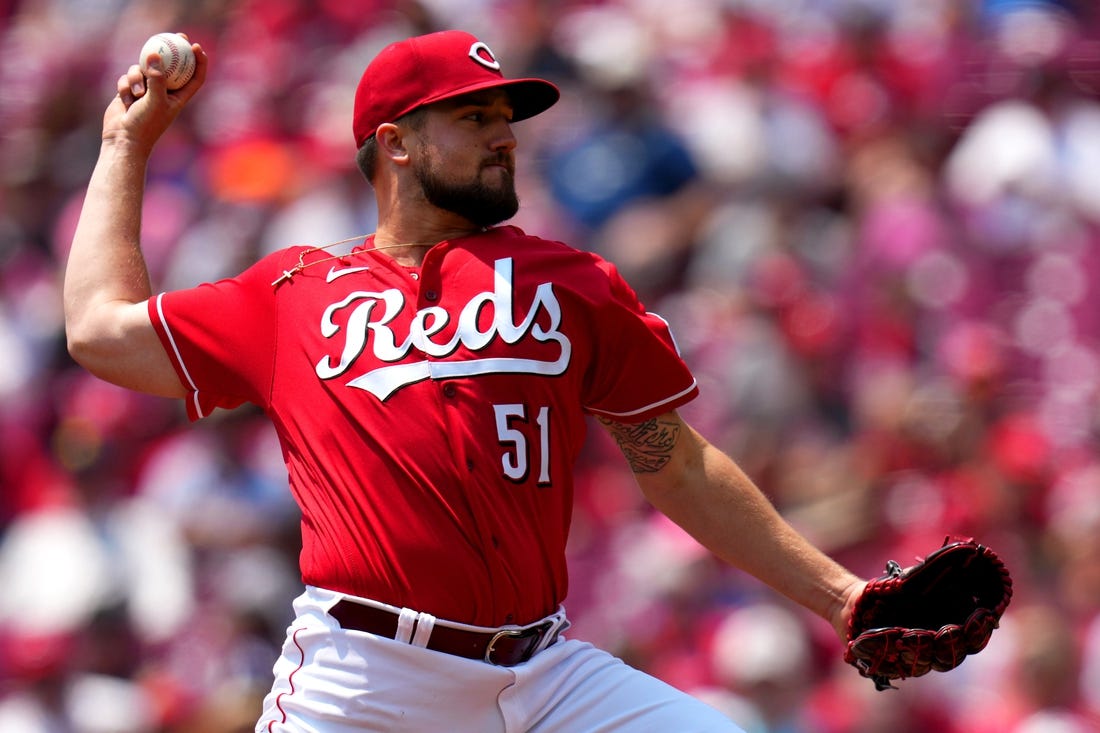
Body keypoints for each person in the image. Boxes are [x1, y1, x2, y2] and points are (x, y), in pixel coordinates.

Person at [64, 29, 867, 732]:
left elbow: (678, 463)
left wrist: (840, 595)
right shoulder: (292, 295)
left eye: (505, 120)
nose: (504, 138)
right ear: (398, 143)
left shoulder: (572, 281)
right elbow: (100, 329)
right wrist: (125, 145)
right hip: (368, 678)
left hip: (547, 674)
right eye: (474, 117)